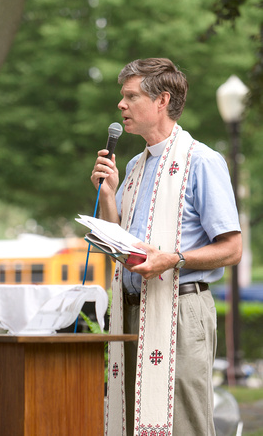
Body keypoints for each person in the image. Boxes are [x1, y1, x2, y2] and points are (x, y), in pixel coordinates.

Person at [91, 58, 242, 436]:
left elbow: (232, 248)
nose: (121, 105)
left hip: (180, 308)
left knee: (183, 425)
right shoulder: (135, 167)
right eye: (121, 97)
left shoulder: (202, 161)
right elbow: (120, 242)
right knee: (129, 422)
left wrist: (172, 259)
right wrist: (108, 195)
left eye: (130, 96)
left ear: (162, 100)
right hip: (128, 314)